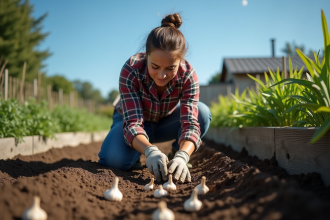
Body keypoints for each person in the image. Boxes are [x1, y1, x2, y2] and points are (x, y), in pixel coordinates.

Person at [98, 13, 212, 183]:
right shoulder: (131, 69)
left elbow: (190, 123)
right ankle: (137, 152)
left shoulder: (188, 75)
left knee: (202, 112)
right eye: (155, 66)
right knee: (115, 160)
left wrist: (183, 155)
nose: (161, 75)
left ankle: (175, 156)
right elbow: (133, 124)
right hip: (130, 120)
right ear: (147, 55)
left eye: (170, 68)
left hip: (164, 122)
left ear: (180, 61)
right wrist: (150, 151)